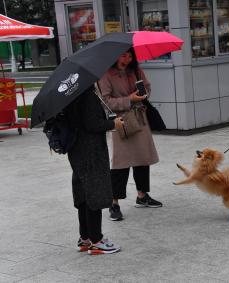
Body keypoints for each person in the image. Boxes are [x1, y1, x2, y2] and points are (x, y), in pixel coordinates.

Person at [97, 48, 162, 221]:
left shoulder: (136, 70)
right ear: (115, 56)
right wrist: (129, 99)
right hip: (122, 121)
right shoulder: (105, 75)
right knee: (121, 163)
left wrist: (143, 94)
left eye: (130, 55)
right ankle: (114, 203)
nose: (127, 59)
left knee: (142, 158)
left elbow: (147, 87)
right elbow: (106, 101)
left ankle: (142, 195)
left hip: (140, 118)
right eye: (123, 55)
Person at [66, 85, 123, 254]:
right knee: (94, 192)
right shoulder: (87, 94)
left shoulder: (71, 93)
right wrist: (114, 123)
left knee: (83, 192)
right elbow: (92, 124)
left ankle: (85, 238)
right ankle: (96, 240)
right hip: (91, 150)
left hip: (76, 150)